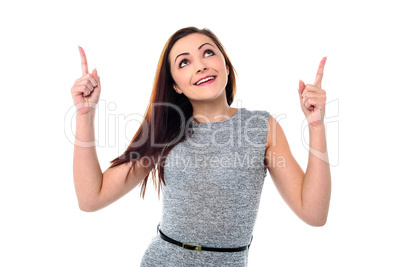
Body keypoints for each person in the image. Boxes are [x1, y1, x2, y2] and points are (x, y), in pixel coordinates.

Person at [71, 27, 331, 266]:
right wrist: (85, 115)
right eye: (184, 62)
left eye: (208, 52)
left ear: (227, 67)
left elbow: (314, 214)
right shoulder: (166, 130)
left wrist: (316, 126)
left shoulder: (261, 127)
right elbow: (91, 198)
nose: (201, 66)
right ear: (175, 85)